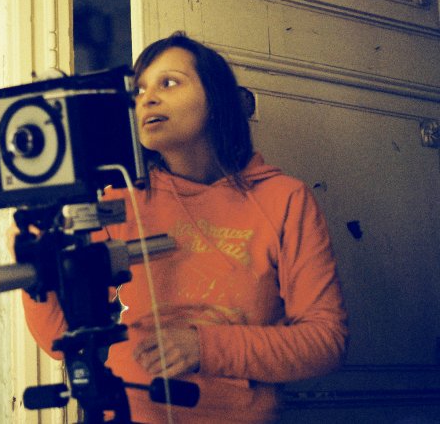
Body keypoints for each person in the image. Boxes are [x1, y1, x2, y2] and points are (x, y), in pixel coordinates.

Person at [18, 32, 348, 423]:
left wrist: (203, 346)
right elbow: (63, 340)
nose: (148, 99)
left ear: (216, 99)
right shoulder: (120, 202)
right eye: (139, 90)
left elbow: (326, 341)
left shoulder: (284, 199)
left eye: (169, 82)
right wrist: (34, 264)